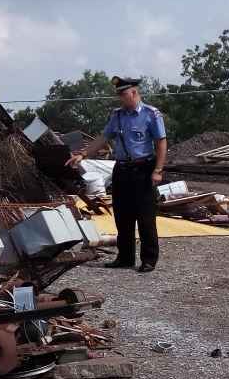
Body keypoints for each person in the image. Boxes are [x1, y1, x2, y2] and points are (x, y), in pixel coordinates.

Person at [65, 76, 167, 273]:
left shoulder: (151, 114)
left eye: (124, 94)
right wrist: (83, 154)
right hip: (121, 169)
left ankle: (148, 259)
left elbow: (161, 142)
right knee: (122, 216)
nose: (121, 98)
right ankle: (125, 257)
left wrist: (158, 170)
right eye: (119, 95)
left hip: (143, 168)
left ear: (134, 92)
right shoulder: (118, 115)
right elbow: (104, 137)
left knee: (145, 217)